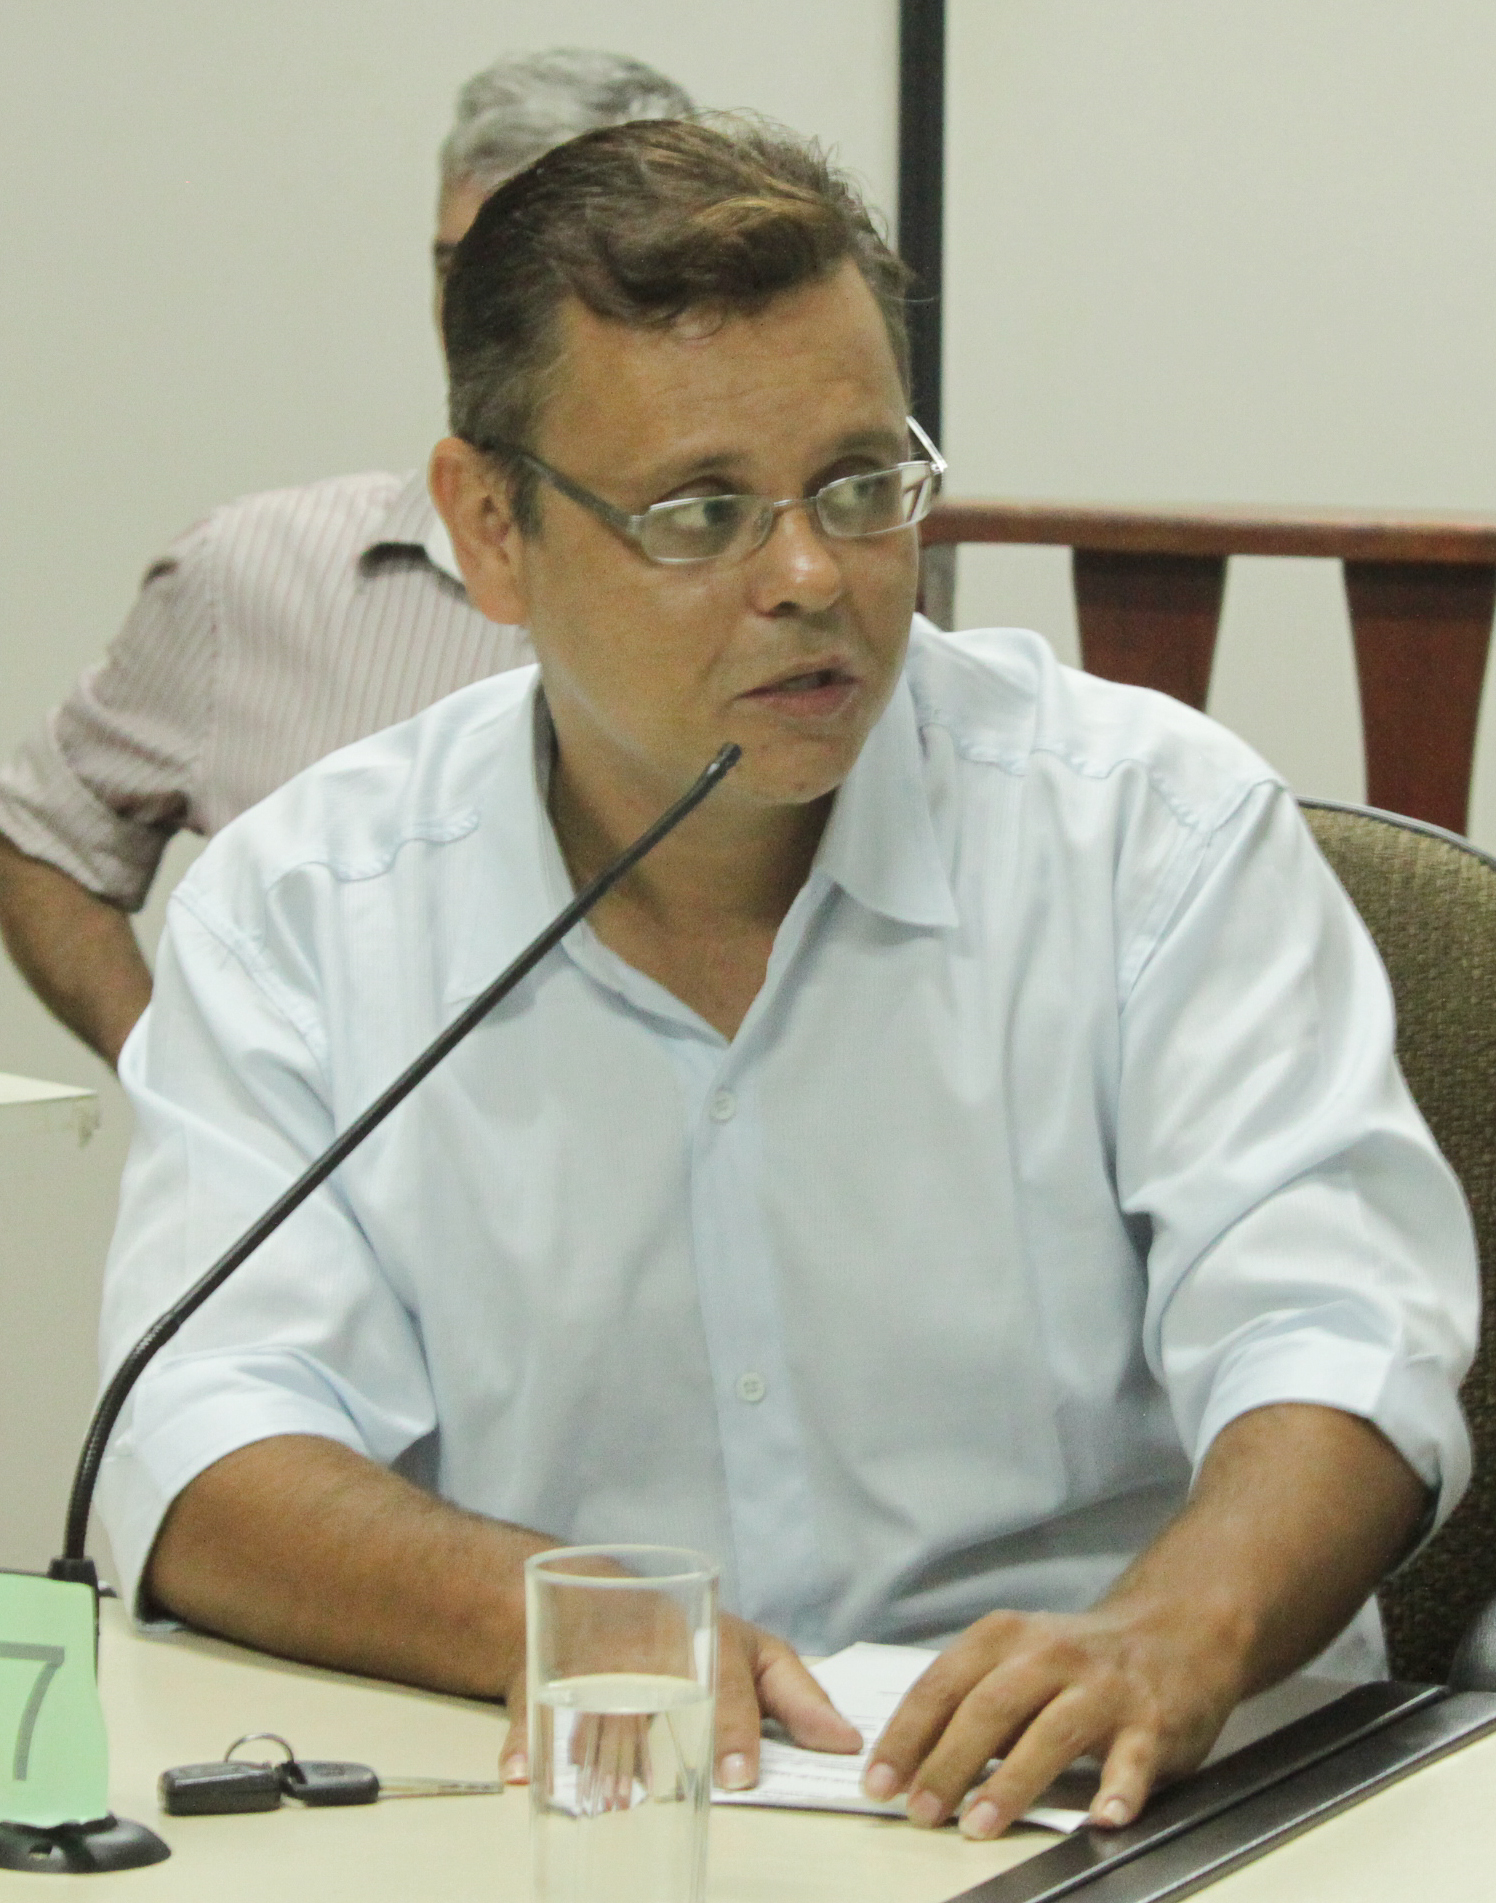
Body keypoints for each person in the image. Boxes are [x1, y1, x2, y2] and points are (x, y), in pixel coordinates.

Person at [96, 118, 1477, 1842]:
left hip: (1122, 1815)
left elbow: (1342, 1333)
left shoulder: (1149, 831)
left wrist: (1174, 1627)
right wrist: (564, 1620)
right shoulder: (307, 909)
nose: (813, 576)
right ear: (492, 528)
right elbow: (201, 1436)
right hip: (588, 1808)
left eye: (860, 485)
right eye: (701, 514)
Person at [0, 49, 693, 1068]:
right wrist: (183, 1078)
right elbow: (43, 838)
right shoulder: (254, 576)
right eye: (452, 270)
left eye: (519, 276)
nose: (469, 319)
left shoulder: (762, 600)